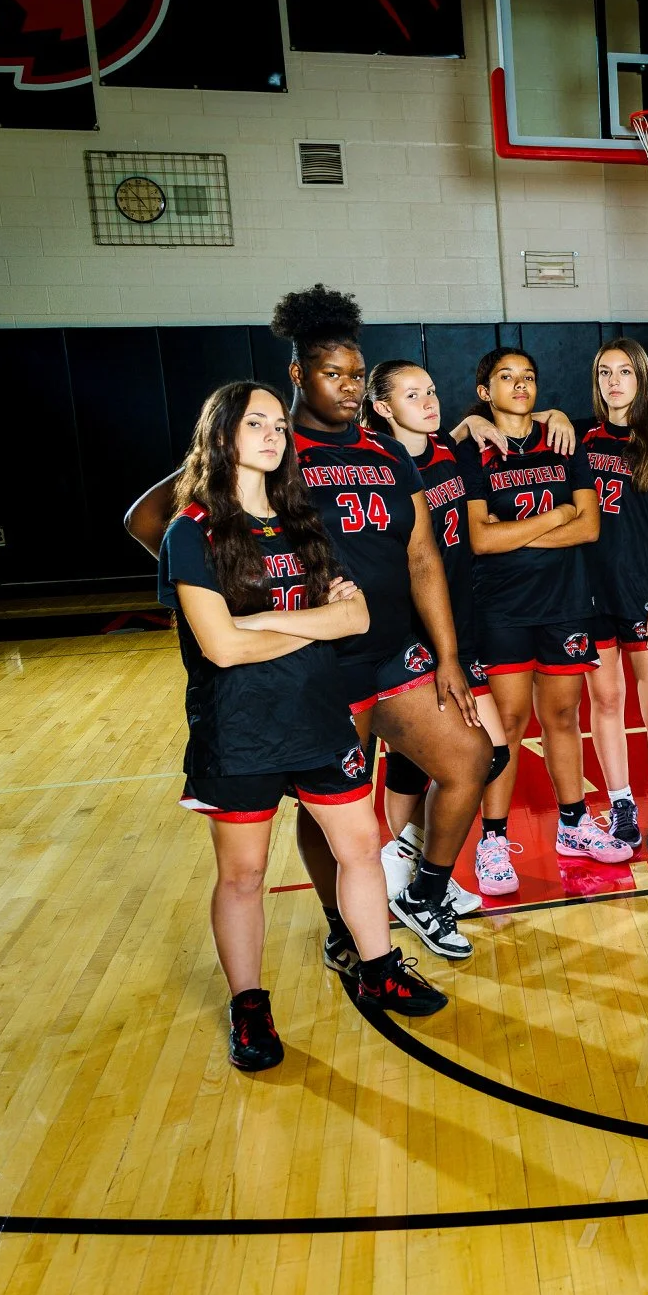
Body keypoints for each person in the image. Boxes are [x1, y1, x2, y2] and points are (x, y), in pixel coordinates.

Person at [127, 286, 490, 972]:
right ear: (298, 375)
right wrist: (216, 589)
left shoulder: (388, 454)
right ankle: (340, 925)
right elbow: (150, 520)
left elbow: (421, 557)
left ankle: (427, 892)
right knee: (333, 813)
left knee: (470, 758)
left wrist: (447, 654)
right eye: (333, 375)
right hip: (315, 669)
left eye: (358, 375)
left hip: (389, 655)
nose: (350, 388)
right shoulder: (270, 444)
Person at [161, 382, 445, 1070]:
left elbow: (358, 618)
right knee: (243, 875)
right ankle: (250, 1006)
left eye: (277, 425)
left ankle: (377, 965)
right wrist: (309, 627)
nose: (272, 434)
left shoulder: (301, 522)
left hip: (318, 715)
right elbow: (221, 649)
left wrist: (261, 621)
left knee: (360, 846)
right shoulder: (192, 531)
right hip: (242, 729)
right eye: (254, 423)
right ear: (223, 435)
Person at [362, 359, 574, 915]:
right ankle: (406, 867)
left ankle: (413, 865)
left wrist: (525, 415)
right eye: (414, 395)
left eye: (432, 391)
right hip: (414, 635)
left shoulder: (449, 452)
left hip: (461, 623)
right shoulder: (380, 466)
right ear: (383, 408)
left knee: (480, 756)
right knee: (430, 759)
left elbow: (494, 426)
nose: (430, 402)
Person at [460, 347, 633, 891]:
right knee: (507, 726)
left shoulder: (563, 439)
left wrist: (526, 530)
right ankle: (492, 840)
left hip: (563, 602)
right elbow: (481, 540)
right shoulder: (473, 449)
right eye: (506, 377)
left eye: (529, 376)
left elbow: (589, 529)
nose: (520, 384)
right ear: (485, 391)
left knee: (562, 719)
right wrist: (556, 514)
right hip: (503, 606)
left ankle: (574, 824)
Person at [578, 339, 648, 855]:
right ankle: (621, 800)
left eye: (625, 371)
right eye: (605, 372)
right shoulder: (579, 439)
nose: (614, 381)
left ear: (642, 379)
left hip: (647, 593)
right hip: (592, 593)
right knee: (605, 701)